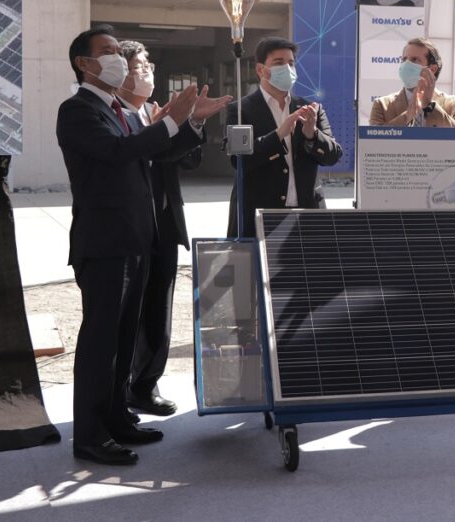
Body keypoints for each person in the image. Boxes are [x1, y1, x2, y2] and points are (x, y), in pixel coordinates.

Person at [56, 25, 221, 465]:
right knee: (101, 344)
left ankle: (118, 418)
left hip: (136, 241)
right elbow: (117, 152)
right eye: (107, 51)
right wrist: (169, 120)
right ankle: (90, 436)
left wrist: (191, 121)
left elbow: (158, 154)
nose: (117, 58)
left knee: (125, 340)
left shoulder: (122, 110)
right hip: (104, 244)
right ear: (84, 63)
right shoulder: (77, 110)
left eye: (118, 50)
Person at [115, 40, 230, 417]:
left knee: (157, 310)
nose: (147, 71)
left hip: (163, 224)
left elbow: (187, 160)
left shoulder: (156, 111)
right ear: (120, 72)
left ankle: (145, 386)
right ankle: (117, 390)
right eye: (138, 66)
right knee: (125, 314)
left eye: (148, 65)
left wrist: (193, 122)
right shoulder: (114, 115)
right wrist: (164, 127)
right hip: (127, 229)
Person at [225, 37, 343, 238]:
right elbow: (240, 160)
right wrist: (279, 134)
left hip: (306, 214)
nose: (287, 69)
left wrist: (312, 135)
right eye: (279, 63)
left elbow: (333, 156)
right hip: (258, 215)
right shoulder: (240, 110)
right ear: (261, 70)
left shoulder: (310, 109)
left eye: (291, 63)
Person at [369, 38, 455, 127]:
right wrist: (408, 115)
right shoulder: (381, 105)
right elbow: (374, 138)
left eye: (415, 60)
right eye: (404, 59)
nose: (406, 64)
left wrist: (429, 105)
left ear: (432, 69)